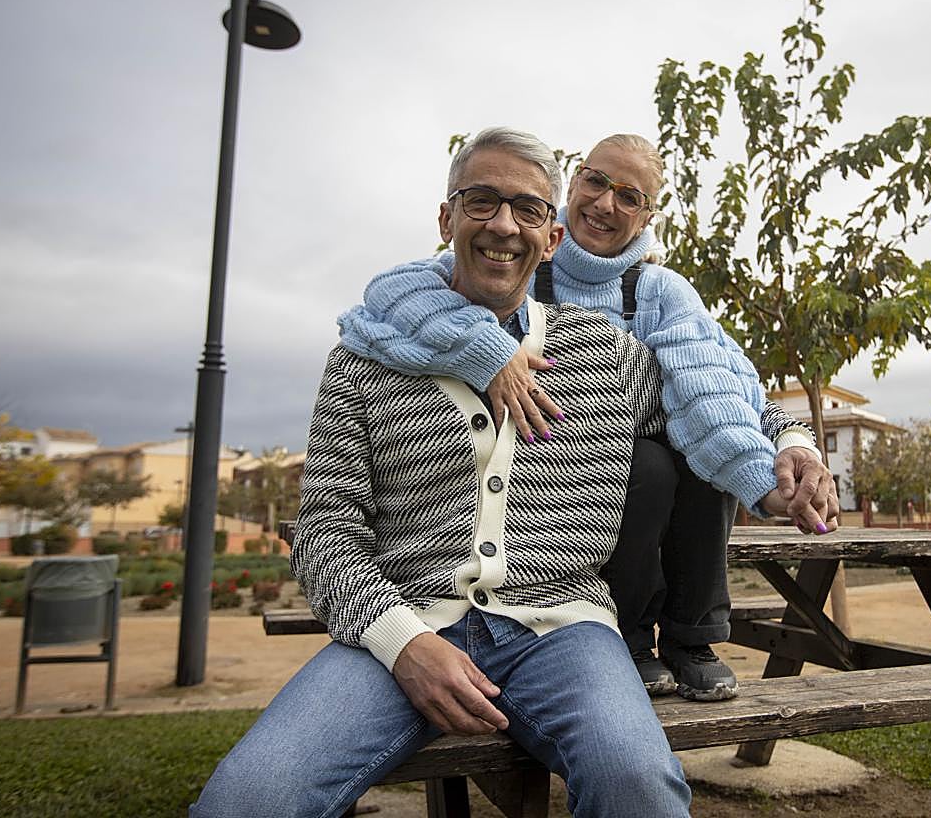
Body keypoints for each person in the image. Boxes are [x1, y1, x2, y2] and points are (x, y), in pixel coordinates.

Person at [193, 128, 802, 816]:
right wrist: (404, 643)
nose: (503, 226)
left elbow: (714, 401)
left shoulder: (600, 351)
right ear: (446, 218)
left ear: (551, 237)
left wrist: (794, 444)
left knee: (639, 786)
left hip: (565, 630)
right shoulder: (364, 358)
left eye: (528, 209)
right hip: (400, 632)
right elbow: (325, 532)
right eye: (481, 201)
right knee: (246, 800)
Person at [339, 133, 839, 701]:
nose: (605, 204)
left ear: (649, 215)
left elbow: (721, 394)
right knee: (647, 464)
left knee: (688, 450)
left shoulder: (658, 293)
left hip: (638, 466)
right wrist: (490, 351)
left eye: (629, 196)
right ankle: (625, 635)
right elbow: (398, 292)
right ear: (572, 184)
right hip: (536, 491)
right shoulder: (510, 261)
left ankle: (691, 636)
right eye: (596, 182)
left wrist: (789, 445)